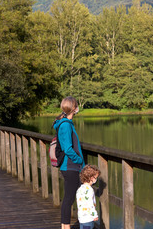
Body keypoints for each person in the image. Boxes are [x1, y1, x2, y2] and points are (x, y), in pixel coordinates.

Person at [53, 96, 85, 229]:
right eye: (76, 105)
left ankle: (65, 226)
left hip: (71, 165)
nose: (78, 108)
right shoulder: (65, 125)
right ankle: (65, 227)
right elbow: (67, 148)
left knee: (70, 197)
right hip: (70, 165)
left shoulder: (66, 123)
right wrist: (79, 160)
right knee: (69, 199)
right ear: (73, 108)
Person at [76, 165, 100, 229]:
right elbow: (90, 204)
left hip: (81, 217)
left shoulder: (80, 189)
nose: (96, 179)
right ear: (91, 178)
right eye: (96, 177)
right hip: (88, 218)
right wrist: (95, 215)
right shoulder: (89, 190)